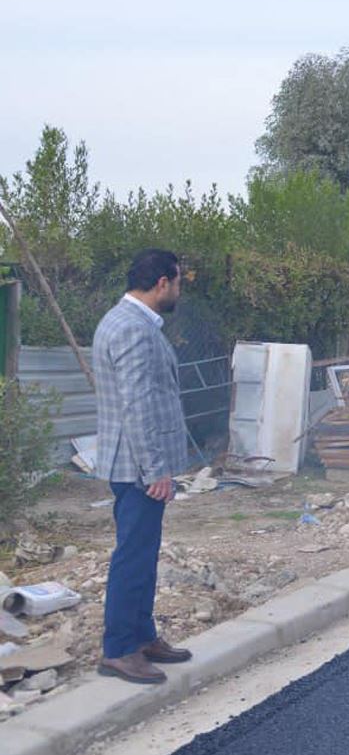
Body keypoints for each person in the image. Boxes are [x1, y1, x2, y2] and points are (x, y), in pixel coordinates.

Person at [93, 249, 196, 684]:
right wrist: (155, 470)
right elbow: (137, 405)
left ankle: (142, 635)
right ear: (161, 283)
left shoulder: (124, 321)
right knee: (133, 555)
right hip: (137, 466)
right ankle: (119, 649)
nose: (178, 290)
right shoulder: (133, 330)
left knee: (144, 550)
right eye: (177, 283)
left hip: (133, 462)